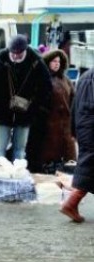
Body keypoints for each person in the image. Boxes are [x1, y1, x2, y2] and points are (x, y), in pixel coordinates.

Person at [0, 34, 52, 161]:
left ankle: (17, 176)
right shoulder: (0, 61)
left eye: (19, 53)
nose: (15, 56)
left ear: (25, 50)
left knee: (20, 151)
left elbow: (46, 88)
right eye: (13, 53)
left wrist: (34, 107)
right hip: (2, 110)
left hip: (25, 112)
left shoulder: (36, 62)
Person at [26, 49, 76, 173]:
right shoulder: (41, 77)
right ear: (48, 62)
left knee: (66, 153)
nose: (57, 64)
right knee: (45, 152)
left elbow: (73, 98)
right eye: (54, 61)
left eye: (59, 61)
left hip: (64, 123)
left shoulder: (65, 80)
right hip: (47, 122)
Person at [59, 68, 94, 223]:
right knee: (89, 165)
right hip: (91, 127)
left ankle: (71, 204)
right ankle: (70, 203)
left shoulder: (85, 76)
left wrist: (74, 129)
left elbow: (74, 106)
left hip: (83, 127)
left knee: (88, 164)